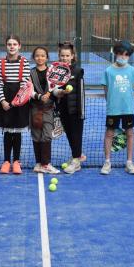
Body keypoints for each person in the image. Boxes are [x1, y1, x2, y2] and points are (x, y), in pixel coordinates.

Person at [101, 40, 134, 175]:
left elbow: (131, 88)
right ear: (115, 53)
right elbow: (106, 91)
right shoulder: (108, 71)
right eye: (120, 54)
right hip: (113, 109)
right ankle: (107, 162)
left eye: (126, 55)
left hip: (128, 109)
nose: (123, 57)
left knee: (130, 133)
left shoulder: (133, 71)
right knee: (109, 133)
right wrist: (113, 103)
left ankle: (129, 162)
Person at [0, 35, 31, 175]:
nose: (12, 46)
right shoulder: (1, 62)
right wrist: (3, 101)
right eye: (9, 44)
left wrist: (17, 101)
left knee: (17, 133)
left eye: (14, 44)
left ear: (19, 46)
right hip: (5, 99)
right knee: (8, 132)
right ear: (6, 46)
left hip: (19, 100)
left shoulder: (24, 62)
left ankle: (16, 161)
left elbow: (24, 83)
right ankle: (6, 161)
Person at [55, 41, 86, 174]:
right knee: (69, 134)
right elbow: (54, 89)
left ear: (73, 56)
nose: (65, 58)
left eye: (67, 55)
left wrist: (82, 112)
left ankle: (76, 161)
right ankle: (77, 156)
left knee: (76, 135)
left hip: (76, 110)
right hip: (63, 109)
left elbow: (81, 93)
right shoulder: (56, 71)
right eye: (62, 56)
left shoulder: (78, 71)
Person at [29, 46, 61, 174]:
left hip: (48, 109)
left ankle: (45, 164)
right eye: (37, 55)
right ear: (33, 57)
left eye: (43, 55)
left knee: (46, 135)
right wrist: (39, 96)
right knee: (36, 135)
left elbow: (56, 89)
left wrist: (58, 93)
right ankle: (38, 163)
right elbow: (29, 91)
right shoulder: (30, 73)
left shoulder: (53, 72)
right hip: (35, 109)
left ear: (47, 57)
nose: (40, 58)